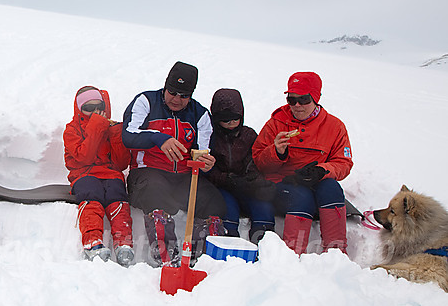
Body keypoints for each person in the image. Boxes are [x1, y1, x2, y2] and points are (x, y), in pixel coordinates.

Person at [122, 61, 225, 267]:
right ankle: (168, 257)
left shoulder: (200, 114)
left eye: (183, 95)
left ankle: (204, 259)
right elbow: (128, 135)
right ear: (165, 85)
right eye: (172, 92)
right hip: (148, 172)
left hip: (183, 176)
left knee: (214, 201)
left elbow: (202, 152)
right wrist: (158, 138)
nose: (176, 99)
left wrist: (205, 163)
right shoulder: (146, 101)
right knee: (155, 193)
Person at [252, 71, 353, 254]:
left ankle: (336, 254)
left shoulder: (334, 126)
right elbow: (259, 161)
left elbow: (343, 163)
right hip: (283, 185)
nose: (297, 105)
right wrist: (276, 152)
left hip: (316, 184)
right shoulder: (276, 123)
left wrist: (321, 170)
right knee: (301, 197)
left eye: (304, 99)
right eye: (292, 100)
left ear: (316, 97)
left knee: (332, 188)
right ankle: (292, 254)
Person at [63, 86, 134, 265]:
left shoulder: (110, 126)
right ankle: (92, 241)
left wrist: (116, 133)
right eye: (88, 108)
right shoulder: (71, 130)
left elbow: (121, 163)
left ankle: (123, 242)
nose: (95, 111)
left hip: (110, 173)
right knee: (91, 194)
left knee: (116, 194)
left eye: (98, 107)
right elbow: (84, 157)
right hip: (84, 174)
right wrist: (96, 125)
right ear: (79, 109)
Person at [205, 88, 277, 243]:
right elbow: (209, 169)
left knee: (262, 206)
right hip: (221, 186)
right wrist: (228, 179)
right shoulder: (210, 137)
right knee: (227, 208)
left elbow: (255, 160)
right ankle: (229, 243)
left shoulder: (248, 135)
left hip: (245, 186)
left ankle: (265, 244)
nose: (231, 124)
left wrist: (255, 181)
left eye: (235, 119)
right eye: (225, 120)